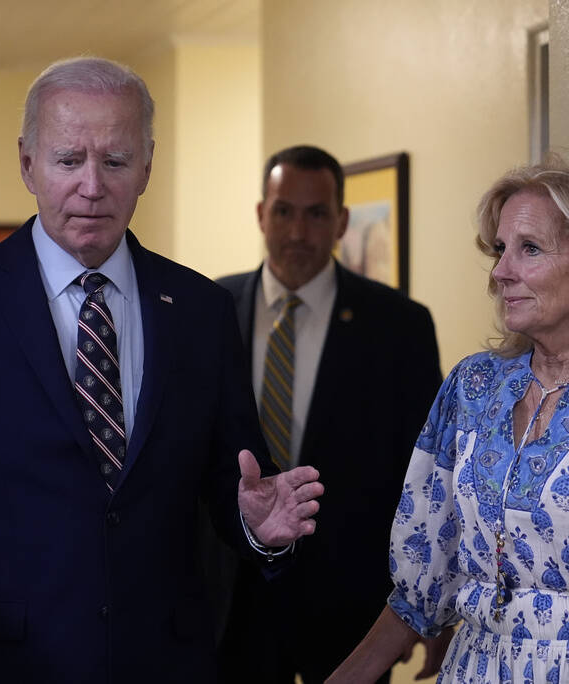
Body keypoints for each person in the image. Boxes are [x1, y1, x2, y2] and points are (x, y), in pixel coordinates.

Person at [0, 57, 324, 683]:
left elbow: (239, 484)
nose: (92, 186)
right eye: (69, 160)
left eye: (115, 162)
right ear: (26, 163)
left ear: (147, 166)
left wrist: (261, 528)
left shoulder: (201, 310)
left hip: (164, 663)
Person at [328, 160, 569, 684]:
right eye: (499, 250)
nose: (500, 272)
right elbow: (423, 585)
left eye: (529, 249)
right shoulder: (474, 386)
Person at [211, 145, 445, 683]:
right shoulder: (209, 311)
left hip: (349, 610)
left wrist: (426, 604)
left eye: (316, 214)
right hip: (230, 600)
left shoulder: (399, 327)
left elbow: (426, 479)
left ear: (341, 220)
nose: (297, 231)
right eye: (283, 211)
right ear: (260, 215)